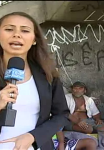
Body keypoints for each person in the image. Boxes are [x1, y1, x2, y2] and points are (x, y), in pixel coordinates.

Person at [0, 12, 70, 150]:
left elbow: (62, 115)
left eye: (25, 30)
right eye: (9, 29)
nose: (16, 34)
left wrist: (33, 136)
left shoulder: (47, 74)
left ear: (34, 39)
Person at [65, 81, 104, 150]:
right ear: (72, 89)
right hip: (71, 122)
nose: (77, 91)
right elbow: (65, 113)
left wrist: (97, 119)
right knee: (88, 129)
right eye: (75, 88)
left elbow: (96, 113)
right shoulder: (66, 98)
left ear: (84, 90)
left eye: (80, 88)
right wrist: (78, 121)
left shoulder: (88, 100)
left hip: (88, 121)